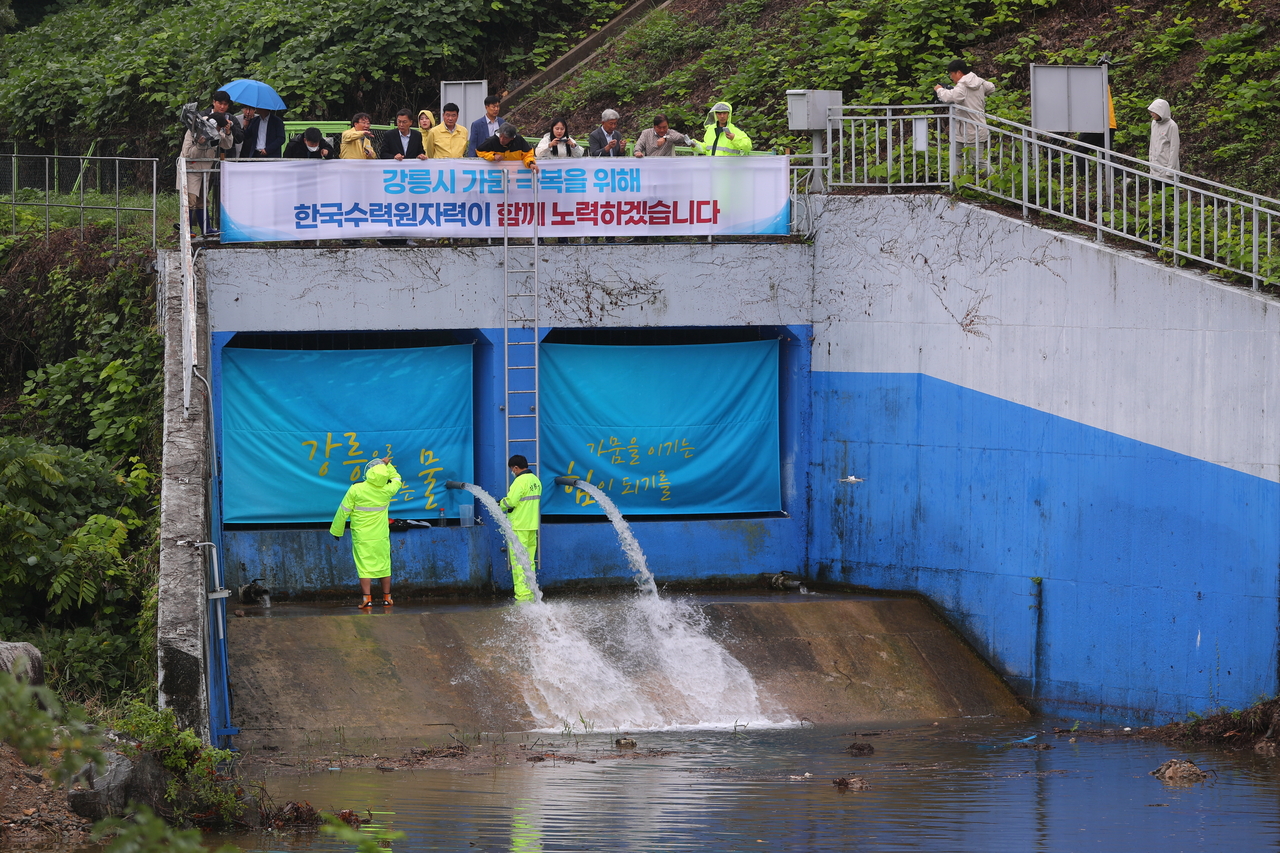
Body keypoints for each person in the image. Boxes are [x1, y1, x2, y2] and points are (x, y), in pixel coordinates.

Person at [330, 457, 404, 609]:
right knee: (384, 565)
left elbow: (343, 511)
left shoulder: (356, 489)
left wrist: (337, 530)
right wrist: (387, 465)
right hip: (381, 535)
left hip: (362, 536)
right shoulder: (387, 490)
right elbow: (397, 478)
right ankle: (387, 598)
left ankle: (367, 600)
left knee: (364, 567)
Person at [178, 89, 241, 235]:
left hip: (205, 169)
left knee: (202, 200)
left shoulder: (217, 131)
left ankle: (206, 229)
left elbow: (227, 145)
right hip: (190, 168)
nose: (218, 131)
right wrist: (201, 143)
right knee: (190, 200)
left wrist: (228, 132)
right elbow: (188, 154)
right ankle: (187, 230)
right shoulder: (194, 130)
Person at [934, 60, 995, 174]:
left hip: (971, 128)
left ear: (958, 73)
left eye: (951, 74)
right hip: (971, 127)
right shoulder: (978, 82)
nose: (952, 78)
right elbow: (991, 87)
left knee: (977, 161)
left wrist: (939, 89)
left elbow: (950, 97)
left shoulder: (962, 86)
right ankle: (957, 182)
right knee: (956, 156)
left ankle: (997, 181)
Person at [498, 455, 541, 603]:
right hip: (531, 525)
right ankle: (530, 593)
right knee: (529, 561)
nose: (512, 472)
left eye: (512, 469)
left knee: (518, 562)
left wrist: (500, 504)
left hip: (519, 526)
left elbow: (510, 502)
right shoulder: (536, 481)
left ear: (515, 468)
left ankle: (522, 597)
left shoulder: (519, 481)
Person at [1148, 98, 1180, 180]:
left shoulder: (1172, 126)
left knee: (1169, 192)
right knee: (1158, 192)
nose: (1152, 114)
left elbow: (1174, 148)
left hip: (1166, 168)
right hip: (1155, 168)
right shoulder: (1154, 123)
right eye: (1151, 112)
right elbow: (1152, 144)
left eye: (1154, 112)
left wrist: (1170, 170)